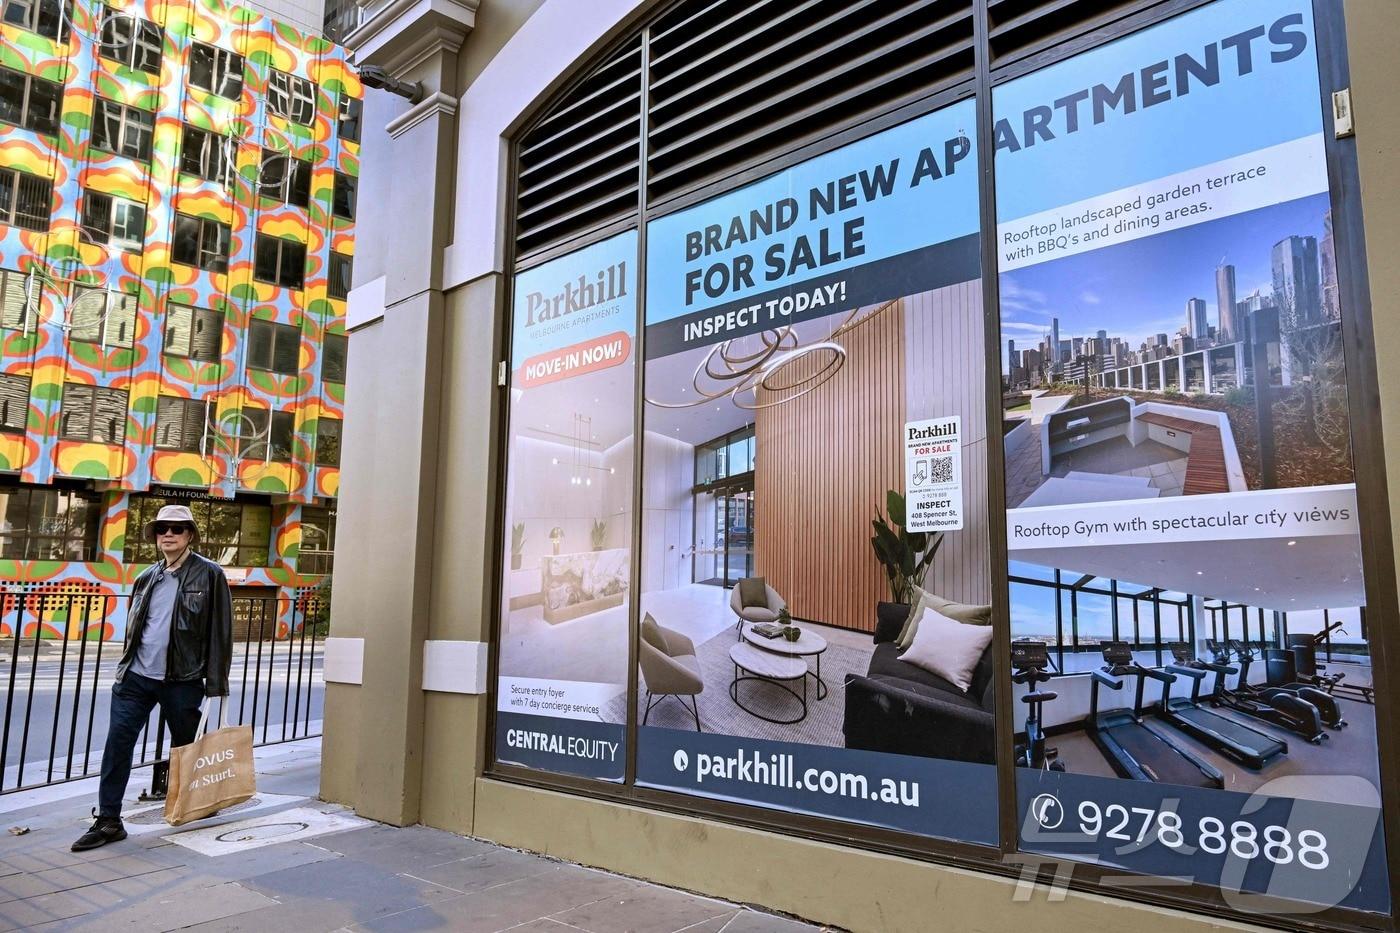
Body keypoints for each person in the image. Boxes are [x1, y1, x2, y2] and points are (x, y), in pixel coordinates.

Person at [72, 504, 233, 851]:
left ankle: (194, 804)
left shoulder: (209, 575)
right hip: (136, 678)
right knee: (118, 744)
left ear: (190, 534)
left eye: (177, 528)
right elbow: (138, 629)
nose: (169, 535)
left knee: (188, 748)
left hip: (183, 679)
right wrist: (124, 672)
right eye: (162, 529)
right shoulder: (147, 577)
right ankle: (109, 820)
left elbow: (221, 632)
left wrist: (217, 685)